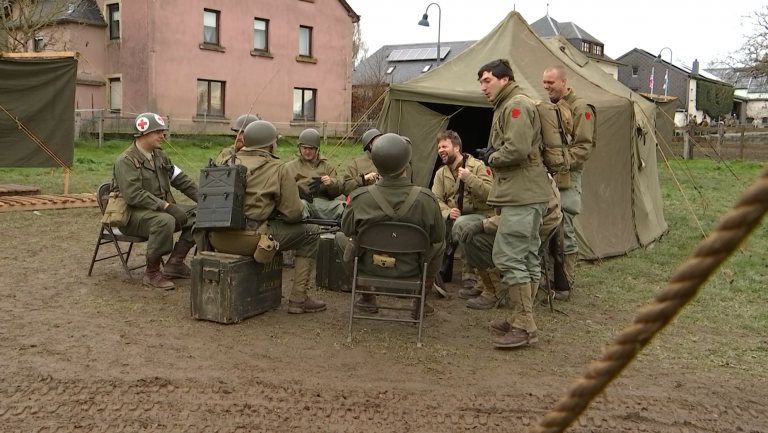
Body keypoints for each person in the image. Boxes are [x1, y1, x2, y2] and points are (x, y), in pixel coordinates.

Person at [207, 120, 326, 314]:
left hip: (217, 237)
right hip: (251, 241)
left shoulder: (226, 161)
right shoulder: (278, 167)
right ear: (271, 144)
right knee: (312, 233)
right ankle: (299, 299)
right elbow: (293, 214)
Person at [474, 59, 554, 348]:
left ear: (504, 80)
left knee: (509, 256)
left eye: (487, 81)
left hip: (522, 194)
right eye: (481, 82)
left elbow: (518, 149)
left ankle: (525, 326)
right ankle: (520, 319)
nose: (483, 87)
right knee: (528, 257)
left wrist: (491, 158)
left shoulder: (514, 106)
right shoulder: (509, 105)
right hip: (527, 194)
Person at [335, 133, 445, 317]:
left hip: (370, 266)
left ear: (376, 163)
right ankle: (420, 301)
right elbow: (438, 237)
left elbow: (346, 230)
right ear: (406, 163)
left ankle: (368, 298)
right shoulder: (426, 199)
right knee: (440, 245)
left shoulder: (360, 198)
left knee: (340, 238)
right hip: (412, 267)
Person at [110, 112, 198, 290]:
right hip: (131, 215)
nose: (162, 136)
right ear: (142, 134)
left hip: (156, 210)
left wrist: (207, 199)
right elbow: (133, 195)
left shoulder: (160, 156)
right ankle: (151, 273)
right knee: (165, 221)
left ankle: (175, 263)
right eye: (157, 132)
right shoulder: (125, 161)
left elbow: (181, 180)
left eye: (162, 131)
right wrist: (166, 206)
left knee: (200, 215)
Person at [460, 176, 562, 319]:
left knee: (478, 241)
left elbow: (518, 217)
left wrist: (482, 225)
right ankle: (515, 312)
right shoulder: (525, 172)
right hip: (524, 226)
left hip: (530, 230)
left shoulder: (526, 177)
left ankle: (515, 311)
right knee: (467, 233)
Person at [542, 65, 597, 300]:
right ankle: (552, 278)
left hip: (568, 175)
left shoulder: (580, 108)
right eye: (544, 83)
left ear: (564, 82)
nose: (546, 87)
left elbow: (584, 147)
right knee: (549, 226)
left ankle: (566, 280)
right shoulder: (552, 108)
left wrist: (560, 162)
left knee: (564, 227)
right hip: (550, 177)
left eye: (550, 83)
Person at [429, 130, 494, 300]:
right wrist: (447, 212)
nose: (441, 150)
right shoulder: (441, 173)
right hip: (455, 217)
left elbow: (491, 194)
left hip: (481, 216)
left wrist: (470, 179)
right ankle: (436, 271)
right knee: (438, 223)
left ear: (456, 147)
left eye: (444, 146)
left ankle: (471, 276)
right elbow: (434, 199)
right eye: (439, 147)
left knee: (462, 225)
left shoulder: (477, 166)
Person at [284, 128, 344, 220]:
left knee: (343, 206)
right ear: (299, 148)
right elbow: (282, 189)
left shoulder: (327, 167)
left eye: (311, 148)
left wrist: (330, 183)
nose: (307, 152)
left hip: (323, 204)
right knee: (300, 206)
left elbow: (339, 189)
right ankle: (306, 229)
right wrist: (296, 192)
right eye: (304, 148)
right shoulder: (290, 167)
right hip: (302, 203)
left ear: (317, 149)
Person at [342, 128, 382, 196]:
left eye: (382, 140)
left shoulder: (390, 161)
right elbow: (345, 188)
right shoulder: (355, 164)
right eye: (376, 141)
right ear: (369, 145)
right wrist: (363, 179)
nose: (380, 143)